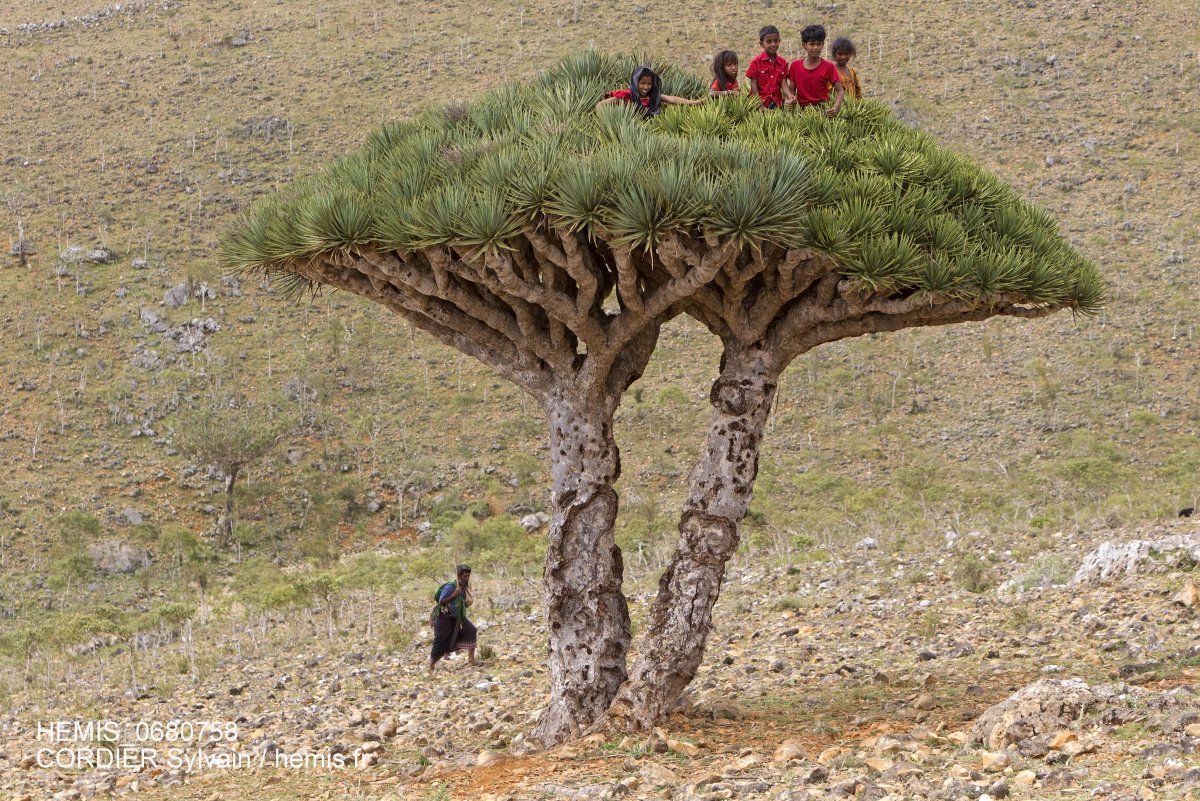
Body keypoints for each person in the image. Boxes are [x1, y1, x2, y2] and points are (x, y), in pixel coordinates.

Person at [595, 66, 704, 117]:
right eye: (642, 83)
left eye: (649, 84)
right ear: (635, 82)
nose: (646, 87)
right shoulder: (627, 95)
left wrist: (695, 103)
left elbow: (672, 99)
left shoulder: (652, 96)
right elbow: (600, 105)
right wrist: (607, 120)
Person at [785, 24, 844, 117]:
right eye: (812, 44)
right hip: (801, 112)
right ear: (804, 45)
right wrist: (789, 100)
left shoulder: (829, 66)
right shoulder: (795, 65)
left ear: (823, 44)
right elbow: (792, 90)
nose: (816, 47)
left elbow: (840, 91)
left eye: (819, 44)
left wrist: (836, 107)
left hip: (823, 111)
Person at [430, 564, 478, 671]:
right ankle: (432, 663)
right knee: (440, 640)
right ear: (459, 575)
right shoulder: (450, 587)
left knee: (471, 630)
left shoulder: (464, 586)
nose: (467, 578)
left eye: (468, 576)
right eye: (465, 576)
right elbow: (441, 602)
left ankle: (471, 659)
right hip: (444, 616)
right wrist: (454, 594)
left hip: (457, 616)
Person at [746, 25, 791, 109]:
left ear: (779, 41)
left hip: (777, 104)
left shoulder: (783, 63)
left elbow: (783, 83)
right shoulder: (756, 62)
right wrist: (759, 105)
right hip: (759, 105)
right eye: (769, 42)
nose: (773, 44)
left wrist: (789, 96)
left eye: (775, 41)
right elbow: (754, 85)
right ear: (761, 44)